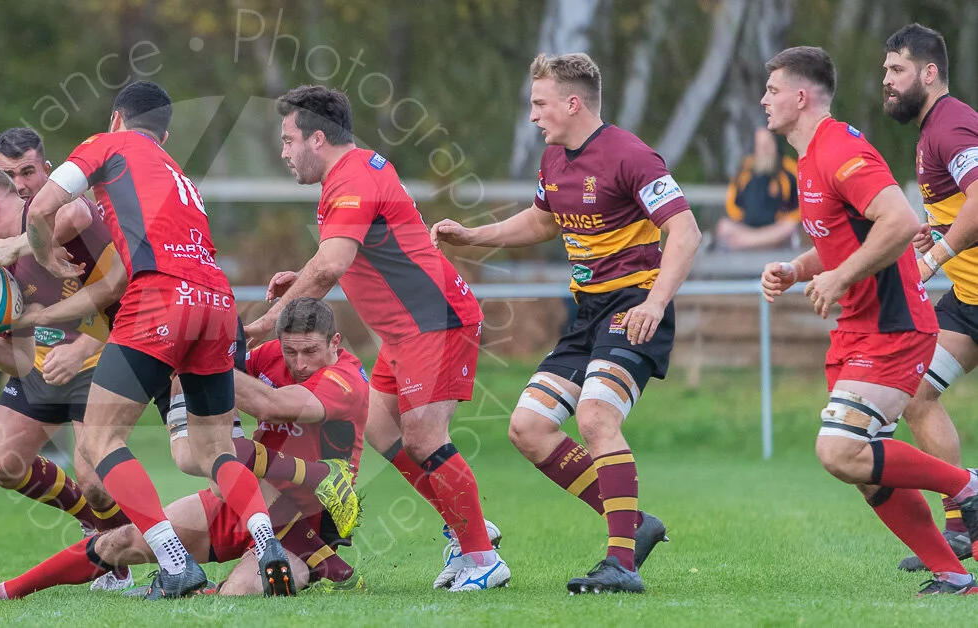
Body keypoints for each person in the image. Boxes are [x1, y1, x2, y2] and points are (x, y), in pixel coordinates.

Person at [432, 53, 697, 594]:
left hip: (634, 305)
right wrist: (474, 237)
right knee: (527, 428)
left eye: (539, 103)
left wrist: (654, 302)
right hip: (589, 314)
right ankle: (633, 523)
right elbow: (543, 219)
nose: (533, 115)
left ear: (573, 103)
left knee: (596, 418)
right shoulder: (555, 159)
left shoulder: (631, 155)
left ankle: (621, 563)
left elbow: (686, 232)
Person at [23, 81, 294, 598]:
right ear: (164, 134)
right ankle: (266, 542)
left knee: (101, 440)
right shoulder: (176, 172)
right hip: (218, 302)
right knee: (214, 445)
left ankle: (174, 562)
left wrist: (45, 254)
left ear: (116, 118)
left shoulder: (107, 145)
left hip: (161, 299)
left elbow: (41, 209)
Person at [0, 297, 368, 600]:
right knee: (118, 542)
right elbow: (229, 369)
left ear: (336, 343)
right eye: (292, 352)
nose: (299, 363)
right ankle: (2, 592)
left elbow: (270, 402)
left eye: (311, 351)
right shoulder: (275, 353)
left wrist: (191, 355)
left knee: (240, 587)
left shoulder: (346, 380)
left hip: (313, 514)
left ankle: (319, 554)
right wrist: (194, 358)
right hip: (247, 497)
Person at [244, 84, 503, 592]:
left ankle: (482, 558)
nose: (284, 152)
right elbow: (353, 255)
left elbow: (333, 265)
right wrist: (300, 278)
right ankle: (466, 524)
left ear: (317, 139)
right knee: (384, 433)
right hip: (403, 334)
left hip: (434, 321)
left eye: (288, 140)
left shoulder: (353, 178)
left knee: (426, 437)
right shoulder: (351, 173)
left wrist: (262, 322)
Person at [759, 45, 978, 596]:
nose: (764, 100)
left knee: (840, 450)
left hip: (894, 323)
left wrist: (836, 279)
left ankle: (967, 488)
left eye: (772, 90)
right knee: (861, 466)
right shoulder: (808, 157)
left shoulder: (837, 148)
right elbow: (843, 240)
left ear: (801, 97)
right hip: (859, 326)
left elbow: (900, 221)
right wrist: (798, 267)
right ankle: (953, 574)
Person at [0, 162, 139, 591]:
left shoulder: (61, 216)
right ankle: (101, 530)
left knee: (96, 483)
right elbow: (19, 359)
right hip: (45, 365)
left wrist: (83, 345)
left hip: (103, 357)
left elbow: (125, 294)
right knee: (3, 465)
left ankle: (127, 554)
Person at [881, 23, 978, 572]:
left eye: (897, 70)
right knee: (914, 393)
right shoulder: (931, 131)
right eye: (885, 72)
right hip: (970, 300)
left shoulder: (952, 125)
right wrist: (937, 228)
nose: (887, 82)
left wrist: (933, 256)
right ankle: (962, 523)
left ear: (930, 72)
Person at [715, 128, 801, 250]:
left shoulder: (789, 170)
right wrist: (741, 219)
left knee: (789, 227)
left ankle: (747, 242)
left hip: (776, 229)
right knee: (724, 226)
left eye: (768, 144)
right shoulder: (745, 170)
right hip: (747, 227)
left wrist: (785, 219)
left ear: (776, 144)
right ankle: (757, 241)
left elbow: (800, 207)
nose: (764, 149)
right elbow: (732, 202)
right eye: (760, 145)